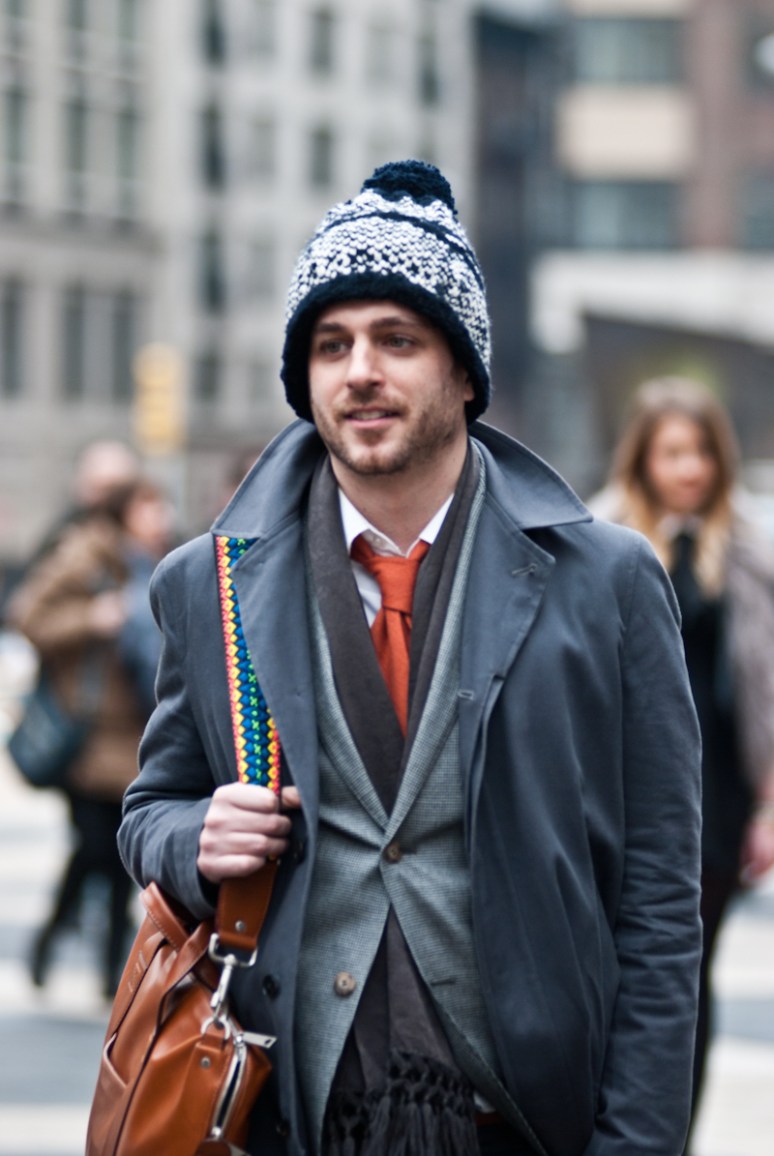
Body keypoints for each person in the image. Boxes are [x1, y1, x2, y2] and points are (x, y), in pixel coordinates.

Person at [119, 161, 702, 1156]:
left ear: (464, 371)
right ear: (303, 377)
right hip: (294, 1109)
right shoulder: (209, 582)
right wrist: (193, 839)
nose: (361, 373)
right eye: (332, 345)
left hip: (520, 1114)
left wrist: (636, 1139)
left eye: (399, 340)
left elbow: (659, 898)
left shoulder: (604, 579)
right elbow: (152, 810)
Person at [589, 377, 774, 1146]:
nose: (688, 467)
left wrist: (768, 806)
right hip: (620, 795)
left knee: (681, 977)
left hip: (721, 800)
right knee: (613, 973)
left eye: (700, 451)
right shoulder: (595, 543)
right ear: (642, 458)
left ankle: (669, 1135)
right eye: (671, 451)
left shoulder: (753, 552)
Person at [9, 477, 173, 997]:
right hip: (90, 734)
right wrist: (93, 618)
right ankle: (69, 954)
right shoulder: (88, 556)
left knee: (109, 855)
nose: (160, 519)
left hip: (134, 733)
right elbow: (27, 616)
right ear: (124, 513)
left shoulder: (153, 562)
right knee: (100, 849)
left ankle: (92, 966)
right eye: (150, 507)